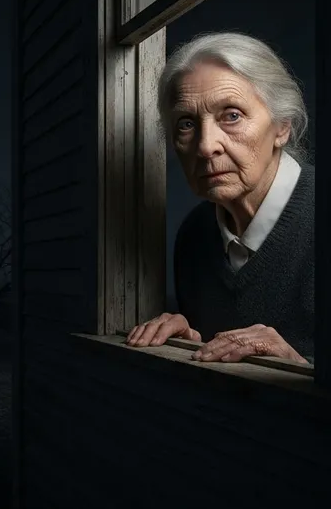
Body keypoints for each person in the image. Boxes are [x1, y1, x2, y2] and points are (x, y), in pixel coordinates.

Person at [126, 32, 314, 365]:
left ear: (282, 126)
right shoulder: (193, 235)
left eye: (232, 116)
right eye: (186, 124)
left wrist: (298, 366)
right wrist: (192, 337)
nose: (205, 146)